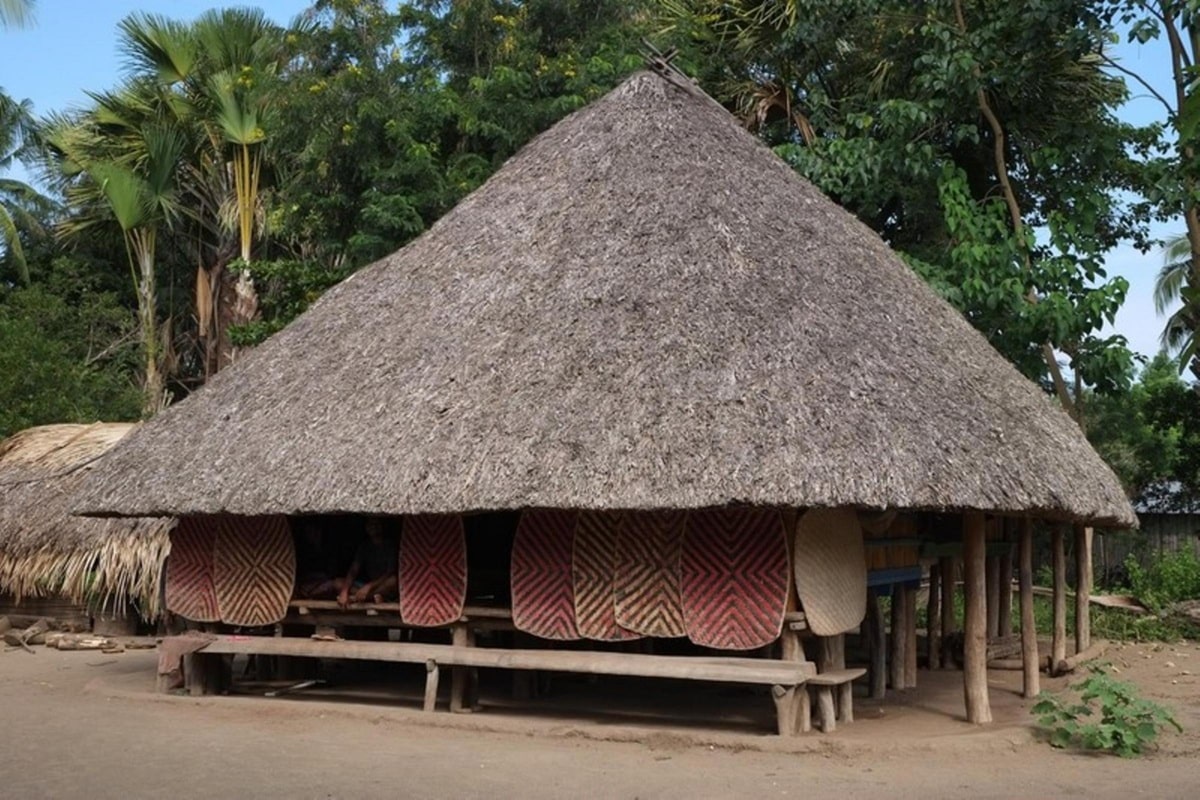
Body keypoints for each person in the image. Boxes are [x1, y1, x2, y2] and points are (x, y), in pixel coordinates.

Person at [334, 517, 398, 606]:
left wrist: (369, 586)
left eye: (376, 524)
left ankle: (359, 598)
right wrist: (344, 592)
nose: (373, 527)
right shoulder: (365, 546)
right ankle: (371, 597)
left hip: (381, 584)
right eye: (370, 524)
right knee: (338, 583)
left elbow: (389, 572)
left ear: (382, 526)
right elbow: (354, 570)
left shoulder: (390, 546)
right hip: (367, 587)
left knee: (393, 581)